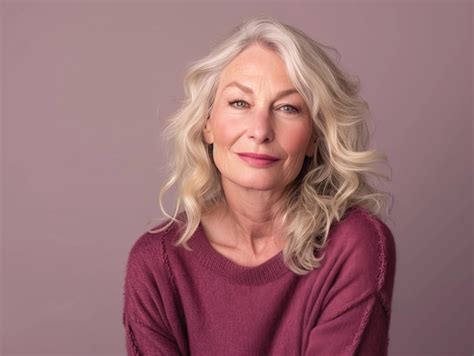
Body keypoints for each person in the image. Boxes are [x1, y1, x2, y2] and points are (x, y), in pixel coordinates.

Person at [122, 15, 396, 356]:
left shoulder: (353, 245)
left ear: (314, 137)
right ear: (207, 124)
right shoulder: (156, 263)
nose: (260, 130)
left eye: (287, 108)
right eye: (240, 103)